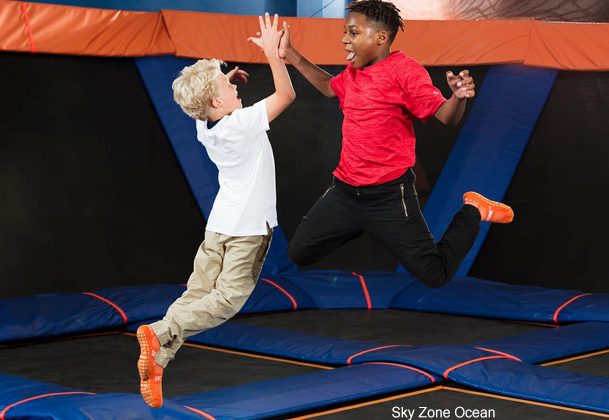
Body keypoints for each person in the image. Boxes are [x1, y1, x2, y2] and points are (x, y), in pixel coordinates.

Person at [279, 0, 513, 288]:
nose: (344, 39)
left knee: (435, 274)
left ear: (380, 38)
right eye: (345, 32)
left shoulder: (405, 71)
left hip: (390, 197)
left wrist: (458, 98)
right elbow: (330, 87)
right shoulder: (352, 73)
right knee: (297, 252)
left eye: (353, 33)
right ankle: (359, 223)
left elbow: (446, 117)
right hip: (346, 192)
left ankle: (473, 209)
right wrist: (289, 52)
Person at [136, 13, 295, 408]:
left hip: (219, 226)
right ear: (216, 101)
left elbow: (212, 103)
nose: (232, 83)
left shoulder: (203, 125)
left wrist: (228, 82)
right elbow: (287, 96)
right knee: (226, 300)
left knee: (197, 295)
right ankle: (162, 330)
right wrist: (275, 55)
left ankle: (159, 358)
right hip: (246, 228)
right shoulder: (239, 123)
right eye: (227, 83)